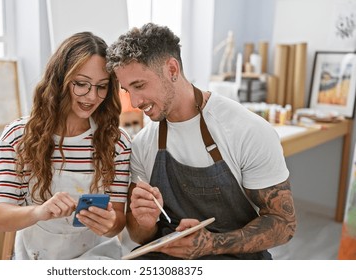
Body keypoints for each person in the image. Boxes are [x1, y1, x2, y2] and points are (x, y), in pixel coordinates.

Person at [106, 23, 296, 260]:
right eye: (127, 90)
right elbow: (140, 236)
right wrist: (146, 221)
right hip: (170, 256)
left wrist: (211, 244)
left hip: (236, 256)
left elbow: (283, 223)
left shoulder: (247, 130)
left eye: (139, 85)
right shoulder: (143, 143)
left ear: (172, 70)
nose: (134, 102)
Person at [0, 32, 131, 260]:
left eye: (101, 86)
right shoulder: (19, 137)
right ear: (59, 80)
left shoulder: (117, 143)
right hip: (36, 258)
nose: (92, 97)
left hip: (96, 258)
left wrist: (111, 223)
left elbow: (118, 221)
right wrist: (39, 211)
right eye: (81, 84)